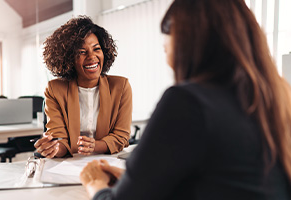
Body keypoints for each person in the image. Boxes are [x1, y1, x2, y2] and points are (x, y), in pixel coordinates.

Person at [80, 0, 291, 199]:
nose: (165, 50)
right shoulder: (275, 98)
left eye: (167, 37)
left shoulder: (189, 103)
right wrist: (139, 180)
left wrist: (95, 184)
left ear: (188, 42)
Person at [34, 16, 132, 158]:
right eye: (82, 52)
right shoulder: (55, 89)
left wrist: (95, 146)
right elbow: (59, 139)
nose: (92, 57)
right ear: (68, 59)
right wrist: (53, 148)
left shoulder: (121, 86)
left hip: (107, 161)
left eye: (96, 49)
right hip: (69, 164)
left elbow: (121, 137)